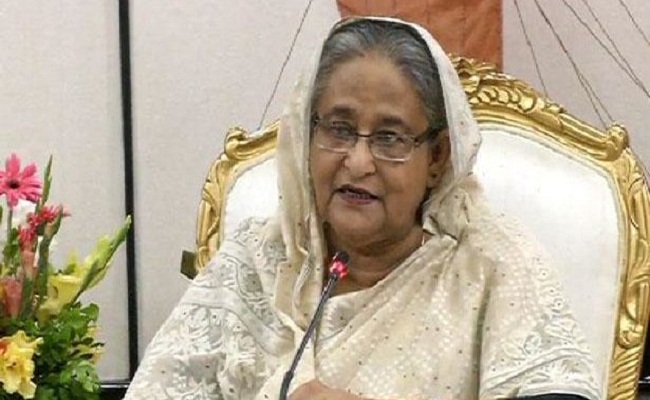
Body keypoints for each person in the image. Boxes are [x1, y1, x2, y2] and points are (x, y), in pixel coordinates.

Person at [124, 17, 601, 400]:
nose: (357, 162)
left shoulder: (489, 262)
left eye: (390, 138)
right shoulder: (256, 260)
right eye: (339, 129)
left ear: (436, 157)